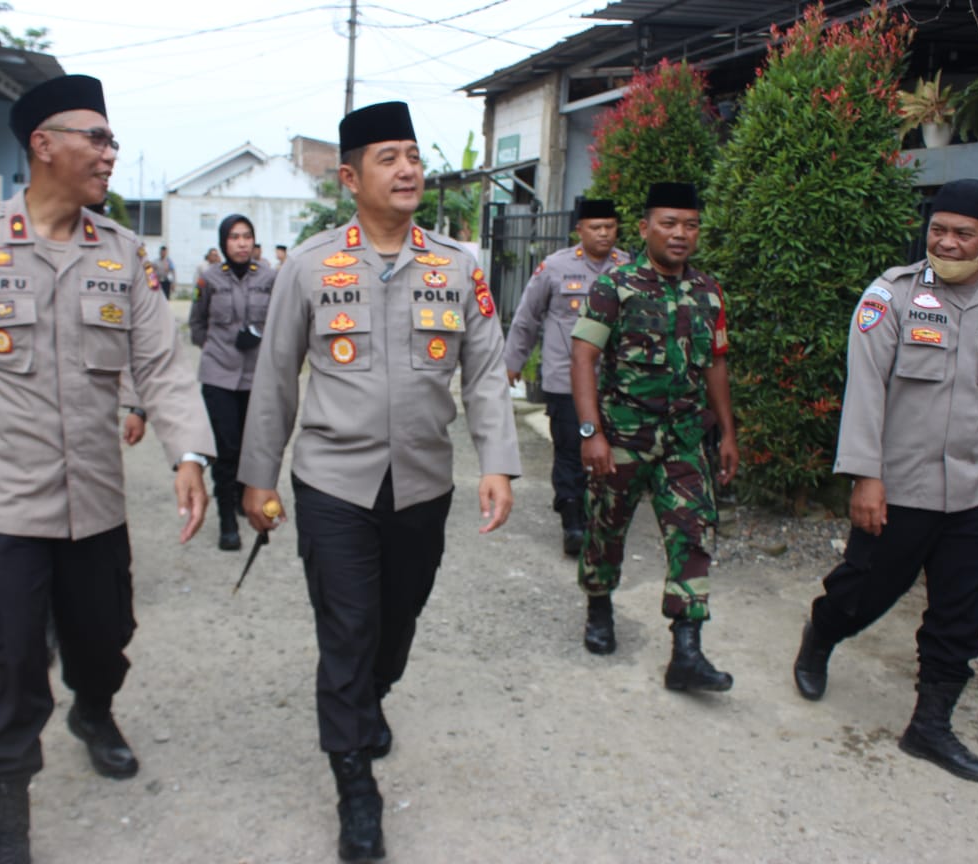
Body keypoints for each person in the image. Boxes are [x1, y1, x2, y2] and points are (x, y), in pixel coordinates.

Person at [0, 74, 215, 864]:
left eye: (109, 139)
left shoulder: (122, 254)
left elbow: (162, 365)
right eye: (95, 138)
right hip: (5, 505)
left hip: (95, 503)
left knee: (106, 639)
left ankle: (92, 709)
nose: (109, 152)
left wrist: (190, 450)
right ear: (43, 145)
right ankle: (7, 819)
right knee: (10, 666)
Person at [237, 101, 520, 862]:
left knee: (396, 628)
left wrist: (497, 461)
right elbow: (275, 382)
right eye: (388, 158)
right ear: (351, 175)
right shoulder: (310, 266)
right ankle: (355, 784)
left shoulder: (456, 267)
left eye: (413, 156)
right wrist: (255, 480)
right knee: (349, 629)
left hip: (423, 484)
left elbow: (487, 373)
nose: (407, 170)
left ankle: (370, 697)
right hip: (333, 484)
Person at [792, 178, 978, 783]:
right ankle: (821, 634)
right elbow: (866, 392)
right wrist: (865, 478)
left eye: (963, 234)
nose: (947, 243)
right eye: (938, 231)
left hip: (976, 492)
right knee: (863, 591)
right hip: (901, 489)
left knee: (967, 609)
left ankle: (930, 726)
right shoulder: (891, 297)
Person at [570, 181, 739, 691]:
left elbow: (715, 364)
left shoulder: (708, 291)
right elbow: (583, 357)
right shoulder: (615, 286)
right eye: (668, 223)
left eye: (689, 225)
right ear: (645, 229)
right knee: (606, 530)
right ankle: (599, 607)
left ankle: (686, 651)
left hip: (685, 440)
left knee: (693, 533)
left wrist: (728, 432)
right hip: (622, 437)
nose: (680, 234)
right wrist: (590, 433)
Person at [504, 199, 628, 556]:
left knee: (612, 452)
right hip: (566, 381)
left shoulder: (630, 267)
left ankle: (601, 517)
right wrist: (513, 362)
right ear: (580, 230)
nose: (603, 233)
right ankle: (572, 520)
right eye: (595, 226)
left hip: (615, 385)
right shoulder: (555, 267)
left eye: (610, 226)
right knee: (571, 452)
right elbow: (528, 316)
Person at [189, 214, 276, 550]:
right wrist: (217, 350)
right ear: (223, 242)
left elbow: (280, 320)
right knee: (225, 450)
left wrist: (259, 337)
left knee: (250, 446)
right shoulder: (208, 278)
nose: (241, 243)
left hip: (257, 377)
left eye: (247, 236)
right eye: (234, 237)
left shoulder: (269, 277)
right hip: (219, 377)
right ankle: (227, 520)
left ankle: (243, 497)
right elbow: (197, 324)